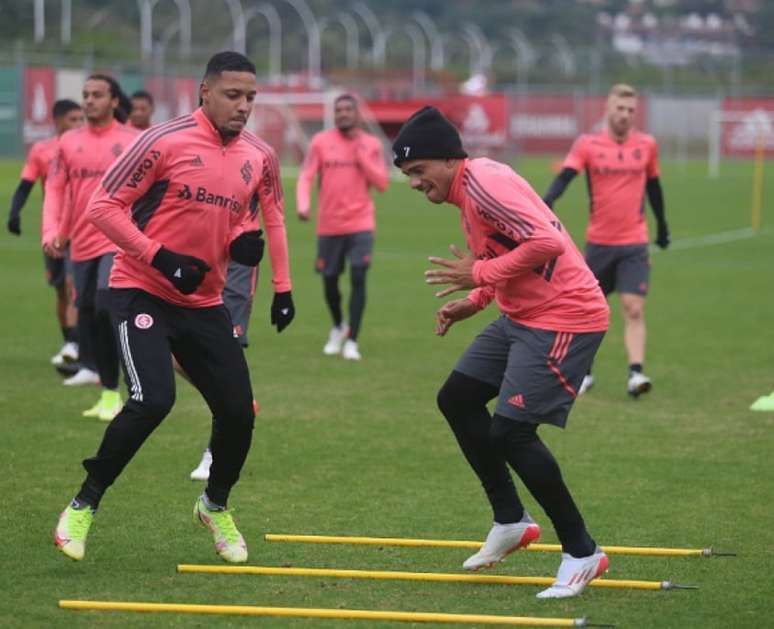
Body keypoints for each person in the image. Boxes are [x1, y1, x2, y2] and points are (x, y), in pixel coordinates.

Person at [53, 51, 294, 564]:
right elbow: (102, 208)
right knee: (152, 400)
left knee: (238, 412)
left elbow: (254, 220)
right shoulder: (162, 140)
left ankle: (214, 505)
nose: (244, 105)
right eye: (233, 94)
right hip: (141, 289)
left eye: (251, 96)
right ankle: (83, 504)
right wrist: (159, 256)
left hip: (204, 304)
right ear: (204, 92)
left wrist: (263, 265)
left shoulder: (259, 156)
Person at [393, 106, 610, 599]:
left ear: (448, 160)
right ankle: (510, 520)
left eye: (417, 171)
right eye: (407, 175)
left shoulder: (486, 182)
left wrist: (480, 278)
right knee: (458, 398)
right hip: (523, 316)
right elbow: (500, 256)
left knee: (511, 432)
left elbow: (547, 242)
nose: (413, 182)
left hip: (565, 317)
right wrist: (474, 300)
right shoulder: (468, 193)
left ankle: (582, 551)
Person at [542, 83, 670, 397]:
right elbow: (565, 177)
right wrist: (545, 204)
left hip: (634, 243)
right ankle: (584, 373)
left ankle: (636, 375)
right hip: (598, 244)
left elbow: (654, 188)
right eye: (620, 109)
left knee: (633, 307)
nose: (625, 115)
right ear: (607, 109)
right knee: (587, 310)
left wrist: (662, 226)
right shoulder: (587, 144)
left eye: (630, 110)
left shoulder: (647, 145)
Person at [43, 76, 137, 419]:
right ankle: (109, 394)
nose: (89, 101)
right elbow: (56, 189)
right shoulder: (68, 142)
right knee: (88, 314)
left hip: (118, 241)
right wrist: (53, 231)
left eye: (97, 95)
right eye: (85, 95)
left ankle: (133, 386)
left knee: (103, 305)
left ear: (114, 101)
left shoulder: (133, 141)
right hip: (80, 242)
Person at [296, 94, 388, 360]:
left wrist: (363, 158)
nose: (344, 113)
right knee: (329, 282)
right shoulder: (320, 142)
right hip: (329, 225)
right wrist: (303, 204)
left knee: (359, 276)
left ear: (358, 114)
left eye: (348, 109)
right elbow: (306, 176)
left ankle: (353, 341)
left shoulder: (370, 144)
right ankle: (338, 326)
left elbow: (382, 183)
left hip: (361, 223)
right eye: (339, 110)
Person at [7, 99, 83, 368]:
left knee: (76, 287)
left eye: (80, 119)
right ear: (57, 121)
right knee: (61, 290)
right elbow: (25, 184)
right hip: (52, 232)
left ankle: (77, 345)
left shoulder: (83, 147)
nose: (78, 125)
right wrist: (14, 213)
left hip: (81, 229)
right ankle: (70, 341)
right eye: (72, 120)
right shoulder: (41, 150)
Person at [190, 260, 259, 481]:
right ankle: (239, 396)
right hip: (201, 255)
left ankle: (213, 454)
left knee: (226, 356)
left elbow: (274, 225)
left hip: (238, 263)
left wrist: (282, 285)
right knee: (175, 353)